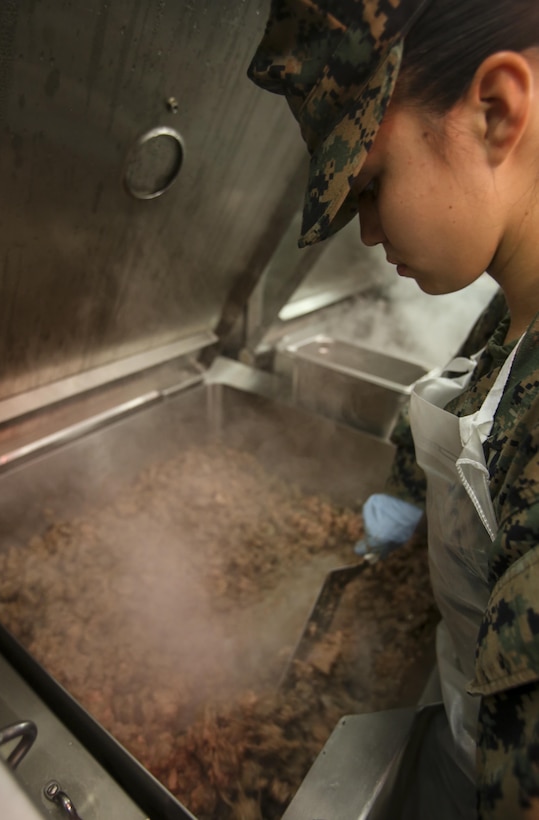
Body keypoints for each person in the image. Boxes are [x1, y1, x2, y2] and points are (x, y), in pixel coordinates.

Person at [247, 2, 539, 819]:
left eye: (370, 185)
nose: (368, 232)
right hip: (456, 726)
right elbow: (480, 394)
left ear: (495, 111)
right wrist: (411, 492)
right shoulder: (509, 306)